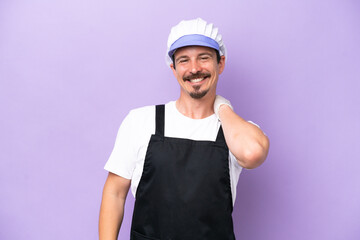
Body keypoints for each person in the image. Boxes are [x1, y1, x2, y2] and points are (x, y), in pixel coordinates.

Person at [99, 18, 269, 240]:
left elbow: (252, 153)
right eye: (184, 60)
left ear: (221, 63)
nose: (194, 68)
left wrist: (222, 106)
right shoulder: (141, 121)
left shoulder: (234, 130)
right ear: (174, 68)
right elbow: (115, 193)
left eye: (204, 58)